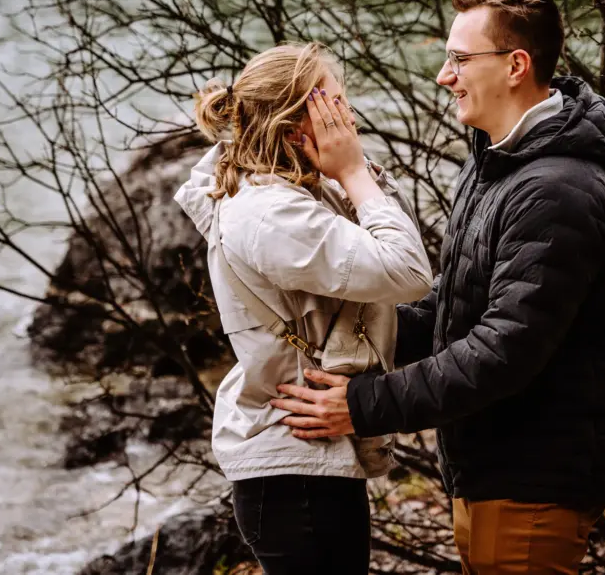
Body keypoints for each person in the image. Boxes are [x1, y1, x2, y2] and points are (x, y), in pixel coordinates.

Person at [272, 0, 605, 574]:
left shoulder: (557, 189)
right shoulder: (499, 160)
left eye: (460, 59)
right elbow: (454, 307)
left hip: (534, 473)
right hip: (492, 464)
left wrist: (363, 405)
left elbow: (503, 351)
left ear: (516, 65)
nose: (445, 76)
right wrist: (331, 335)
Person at [173, 42, 433, 575]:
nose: (348, 120)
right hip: (292, 469)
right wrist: (356, 174)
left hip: (308, 460)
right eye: (334, 106)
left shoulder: (295, 197)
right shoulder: (273, 214)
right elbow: (408, 274)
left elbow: (386, 291)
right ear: (296, 129)